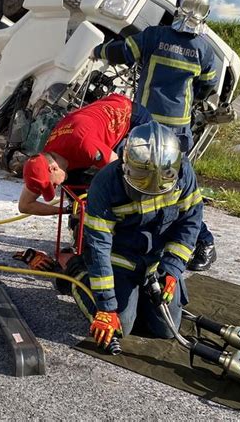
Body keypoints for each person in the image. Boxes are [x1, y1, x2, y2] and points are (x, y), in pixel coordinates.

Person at [92, 0, 218, 272]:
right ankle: (199, 242)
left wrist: (96, 50)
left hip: (145, 128)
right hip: (178, 132)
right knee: (175, 186)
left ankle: (195, 238)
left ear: (176, 8)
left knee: (134, 179)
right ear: (205, 16)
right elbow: (206, 88)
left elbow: (122, 52)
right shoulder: (205, 50)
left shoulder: (154, 36)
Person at [66, 121, 203, 347]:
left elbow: (190, 222)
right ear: (126, 163)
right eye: (142, 180)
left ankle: (140, 294)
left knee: (166, 330)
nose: (149, 188)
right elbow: (99, 248)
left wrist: (172, 269)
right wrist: (105, 307)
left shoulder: (183, 174)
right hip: (120, 260)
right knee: (120, 326)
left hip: (156, 263)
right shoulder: (105, 184)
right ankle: (78, 274)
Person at [18, 93, 151, 216]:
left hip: (129, 115)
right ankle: (83, 216)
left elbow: (121, 168)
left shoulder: (84, 145)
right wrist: (67, 210)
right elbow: (25, 205)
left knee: (139, 170)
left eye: (52, 185)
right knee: (70, 183)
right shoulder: (43, 161)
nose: (54, 187)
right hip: (93, 128)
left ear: (53, 168)